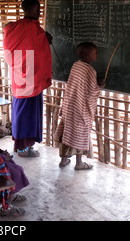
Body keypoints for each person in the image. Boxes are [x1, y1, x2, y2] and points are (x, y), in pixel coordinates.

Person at [3, 0, 53, 157]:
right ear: (29, 10)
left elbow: (10, 53)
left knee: (20, 111)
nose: (39, 13)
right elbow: (39, 50)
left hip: (19, 77)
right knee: (27, 114)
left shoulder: (13, 28)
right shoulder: (33, 30)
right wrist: (46, 40)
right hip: (32, 78)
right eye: (37, 10)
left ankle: (21, 145)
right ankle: (24, 148)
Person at [55, 42, 105, 170]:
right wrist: (100, 86)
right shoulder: (90, 70)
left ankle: (64, 160)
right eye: (95, 53)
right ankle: (79, 163)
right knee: (80, 133)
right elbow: (91, 92)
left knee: (67, 132)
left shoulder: (76, 65)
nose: (97, 55)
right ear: (88, 56)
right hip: (80, 108)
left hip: (70, 105)